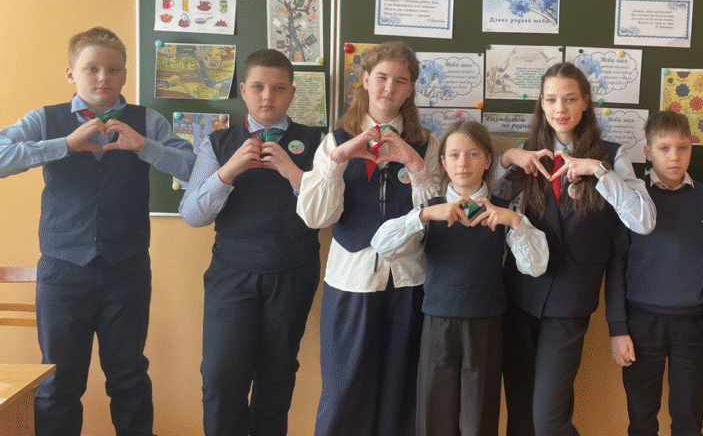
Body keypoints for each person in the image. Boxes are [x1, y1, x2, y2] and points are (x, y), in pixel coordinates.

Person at [0, 27, 196, 436]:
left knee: (129, 378)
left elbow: (195, 169)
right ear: (71, 73)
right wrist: (62, 145)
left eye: (114, 69)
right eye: (91, 68)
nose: (103, 77)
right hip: (62, 271)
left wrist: (144, 146)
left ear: (125, 74)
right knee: (57, 383)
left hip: (126, 271)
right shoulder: (46, 119)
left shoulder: (148, 120)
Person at [492, 62, 655, 436]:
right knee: (521, 417)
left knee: (549, 420)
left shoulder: (610, 156)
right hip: (519, 296)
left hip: (570, 302)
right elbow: (490, 205)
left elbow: (644, 221)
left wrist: (599, 172)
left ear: (585, 103)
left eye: (569, 99)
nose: (560, 108)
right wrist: (507, 159)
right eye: (551, 99)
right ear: (541, 104)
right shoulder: (528, 153)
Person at [296, 41, 440, 436]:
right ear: (364, 80)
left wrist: (415, 164)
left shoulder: (428, 144)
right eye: (381, 77)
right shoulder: (335, 139)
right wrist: (339, 160)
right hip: (352, 280)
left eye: (400, 81)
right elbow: (316, 217)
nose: (389, 88)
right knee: (345, 390)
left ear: (411, 89)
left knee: (400, 390)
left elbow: (436, 217)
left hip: (408, 281)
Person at [371, 119, 548, 436]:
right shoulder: (429, 210)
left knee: (479, 419)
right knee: (434, 416)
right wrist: (424, 215)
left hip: (486, 324)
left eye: (473, 154)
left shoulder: (503, 210)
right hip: (438, 322)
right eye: (454, 155)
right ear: (443, 162)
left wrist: (514, 221)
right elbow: (382, 246)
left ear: (488, 160)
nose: (463, 163)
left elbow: (536, 266)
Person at [179, 49, 323, 436]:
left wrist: (293, 174)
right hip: (231, 274)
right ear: (243, 90)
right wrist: (228, 172)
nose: (267, 97)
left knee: (276, 378)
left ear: (292, 93)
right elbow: (192, 215)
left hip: (292, 273)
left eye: (279, 88)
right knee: (220, 376)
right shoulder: (218, 143)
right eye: (258, 87)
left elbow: (328, 214)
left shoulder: (317, 142)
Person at [605, 111, 703, 436]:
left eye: (682, 147)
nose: (674, 157)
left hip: (692, 325)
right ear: (648, 152)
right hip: (641, 324)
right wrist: (617, 329)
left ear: (692, 148)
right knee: (641, 418)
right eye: (664, 148)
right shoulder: (632, 200)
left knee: (689, 420)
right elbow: (616, 266)